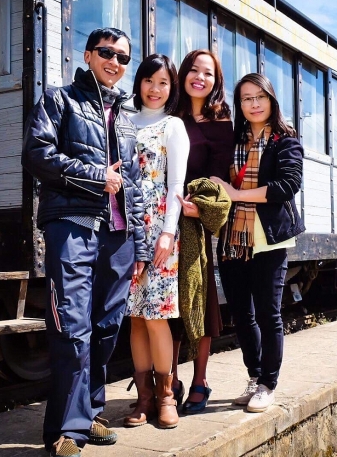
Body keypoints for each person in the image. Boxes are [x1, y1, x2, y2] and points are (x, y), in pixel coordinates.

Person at [22, 27, 147, 457]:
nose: (115, 62)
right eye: (107, 53)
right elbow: (36, 155)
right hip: (73, 226)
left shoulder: (126, 118)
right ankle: (66, 432)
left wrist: (142, 246)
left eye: (123, 58)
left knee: (107, 328)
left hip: (119, 237)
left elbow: (133, 187)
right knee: (72, 327)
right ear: (89, 55)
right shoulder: (59, 100)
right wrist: (97, 177)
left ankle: (90, 413)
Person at [211, 73, 305, 413]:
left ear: (271, 100)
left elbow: (287, 185)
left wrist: (237, 194)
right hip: (232, 239)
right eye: (246, 98)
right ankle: (253, 377)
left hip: (267, 241)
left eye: (259, 97)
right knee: (241, 313)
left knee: (268, 314)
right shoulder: (233, 141)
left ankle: (268, 384)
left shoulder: (285, 141)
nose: (253, 103)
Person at [124, 54, 189, 429]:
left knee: (157, 316)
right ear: (140, 82)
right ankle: (143, 399)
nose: (155, 89)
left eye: (163, 82)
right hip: (127, 228)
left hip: (158, 228)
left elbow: (176, 185)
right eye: (149, 80)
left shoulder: (172, 125)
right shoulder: (123, 121)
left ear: (171, 87)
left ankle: (166, 397)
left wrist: (168, 231)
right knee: (135, 316)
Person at [170, 49, 234, 414]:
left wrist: (200, 205)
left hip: (193, 222)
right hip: (163, 220)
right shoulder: (170, 115)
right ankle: (170, 380)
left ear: (215, 82)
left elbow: (217, 176)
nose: (199, 77)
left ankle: (200, 379)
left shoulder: (220, 123)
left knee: (200, 300)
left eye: (207, 73)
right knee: (168, 305)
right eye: (193, 70)